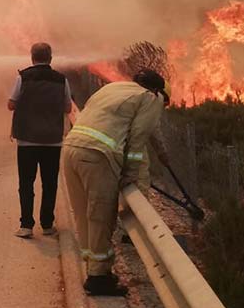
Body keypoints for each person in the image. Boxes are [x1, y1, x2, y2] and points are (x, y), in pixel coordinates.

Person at [61, 69, 170, 296]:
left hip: (71, 149)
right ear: (157, 91)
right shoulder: (151, 98)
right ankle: (98, 278)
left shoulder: (112, 88)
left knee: (83, 214)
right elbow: (138, 137)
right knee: (101, 216)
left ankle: (94, 266)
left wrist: (161, 152)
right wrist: (130, 174)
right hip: (97, 155)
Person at [7, 42, 73, 239]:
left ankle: (26, 225)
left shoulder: (22, 77)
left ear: (32, 57)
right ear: (50, 58)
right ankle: (47, 225)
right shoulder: (62, 80)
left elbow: (11, 104)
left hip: (27, 141)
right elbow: (68, 108)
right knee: (50, 183)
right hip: (52, 141)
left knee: (26, 183)